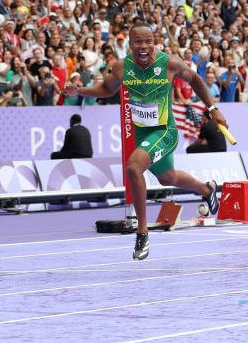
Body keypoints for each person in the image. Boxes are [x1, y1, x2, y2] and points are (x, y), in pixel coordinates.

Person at [65, 23, 223, 260]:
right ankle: (206, 189)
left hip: (165, 131)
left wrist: (212, 108)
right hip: (143, 133)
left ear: (155, 42)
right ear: (130, 44)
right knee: (167, 177)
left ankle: (142, 232)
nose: (144, 46)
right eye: (138, 42)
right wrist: (80, 92)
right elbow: (107, 89)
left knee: (133, 167)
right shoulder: (121, 67)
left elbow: (195, 80)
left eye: (148, 41)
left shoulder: (169, 63)